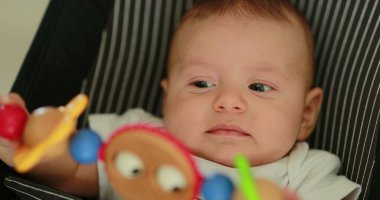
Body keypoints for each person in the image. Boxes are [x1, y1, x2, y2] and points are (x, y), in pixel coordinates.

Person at [0, 0, 361, 199]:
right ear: (167, 97)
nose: (228, 102)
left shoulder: (302, 171)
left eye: (259, 87)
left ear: (306, 114)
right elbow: (75, 174)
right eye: (202, 83)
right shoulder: (140, 137)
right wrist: (37, 149)